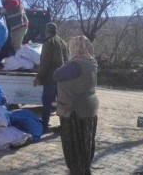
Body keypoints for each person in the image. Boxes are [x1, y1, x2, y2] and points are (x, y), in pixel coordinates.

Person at [52, 35, 99, 175]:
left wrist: (64, 64)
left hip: (74, 112)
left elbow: (56, 75)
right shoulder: (91, 62)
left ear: (72, 49)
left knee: (74, 148)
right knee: (86, 145)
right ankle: (84, 169)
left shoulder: (74, 65)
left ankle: (79, 171)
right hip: (89, 109)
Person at [33, 22, 69, 133]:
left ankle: (44, 127)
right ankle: (64, 127)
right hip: (62, 79)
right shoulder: (63, 43)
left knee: (47, 104)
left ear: (47, 31)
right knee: (62, 104)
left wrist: (39, 78)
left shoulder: (48, 43)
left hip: (50, 79)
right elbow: (67, 61)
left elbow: (45, 64)